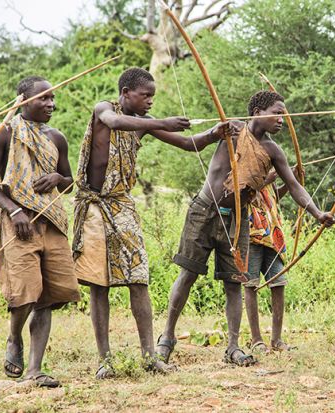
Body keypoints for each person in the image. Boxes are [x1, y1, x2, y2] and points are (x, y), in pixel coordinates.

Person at [156, 90, 335, 366]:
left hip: (238, 220)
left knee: (234, 284)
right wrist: (215, 132)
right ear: (257, 113)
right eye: (276, 112)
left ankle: (233, 347)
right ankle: (166, 340)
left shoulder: (273, 150)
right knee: (188, 274)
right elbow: (191, 144)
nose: (282, 120)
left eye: (284, 114)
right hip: (205, 211)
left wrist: (317, 212)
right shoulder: (233, 131)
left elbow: (296, 186)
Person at [72, 67, 223, 378]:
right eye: (145, 95)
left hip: (123, 205)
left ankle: (149, 356)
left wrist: (215, 134)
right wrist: (162, 122)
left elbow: (187, 144)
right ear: (126, 93)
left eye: (153, 97)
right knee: (99, 284)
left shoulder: (141, 124)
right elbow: (115, 122)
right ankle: (105, 360)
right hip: (94, 207)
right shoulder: (105, 110)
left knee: (138, 278)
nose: (150, 101)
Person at [0, 76, 81, 387]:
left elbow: (69, 181)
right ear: (22, 100)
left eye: (52, 98)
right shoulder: (6, 133)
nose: (51, 104)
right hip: (18, 222)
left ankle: (35, 369)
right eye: (43, 98)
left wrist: (56, 179)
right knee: (24, 294)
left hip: (53, 223)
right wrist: (15, 210)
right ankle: (13, 337)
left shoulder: (57, 137)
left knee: (47, 297)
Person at [244, 171, 295, 353]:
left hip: (272, 234)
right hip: (251, 233)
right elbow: (242, 192)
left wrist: (291, 180)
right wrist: (266, 179)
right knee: (251, 284)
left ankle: (277, 339)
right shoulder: (245, 165)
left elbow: (273, 197)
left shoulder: (267, 165)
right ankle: (257, 340)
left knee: (279, 282)